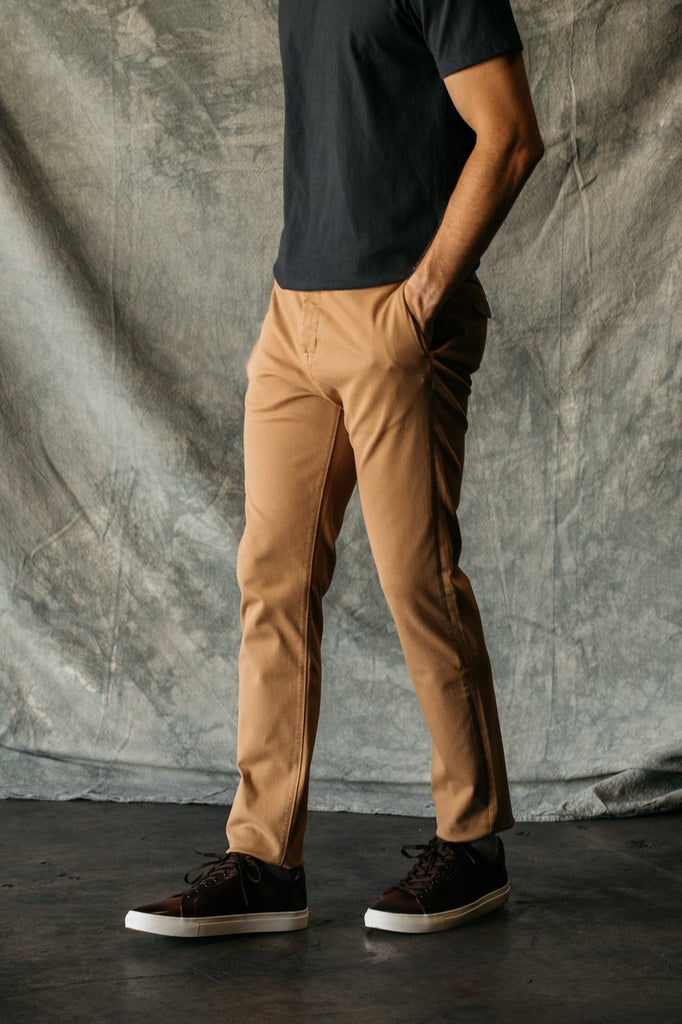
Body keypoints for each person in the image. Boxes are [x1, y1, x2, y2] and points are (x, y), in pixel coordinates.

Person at [125, 0, 543, 938]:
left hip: (398, 309)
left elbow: (512, 135)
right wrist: (294, 308)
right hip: (295, 316)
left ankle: (473, 844)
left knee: (417, 581)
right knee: (270, 579)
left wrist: (420, 300)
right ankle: (265, 861)